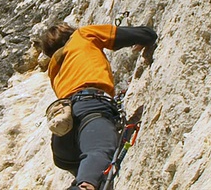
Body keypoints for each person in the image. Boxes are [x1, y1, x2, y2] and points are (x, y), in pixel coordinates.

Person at [38, 23, 157, 190]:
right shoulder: (83, 35)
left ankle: (84, 181)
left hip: (63, 132)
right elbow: (145, 35)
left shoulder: (54, 67)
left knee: (90, 174)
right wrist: (145, 34)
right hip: (90, 106)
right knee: (98, 153)